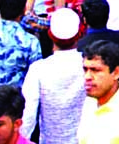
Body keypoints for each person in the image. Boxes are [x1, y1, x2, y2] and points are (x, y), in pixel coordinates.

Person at [21, 8, 85, 144]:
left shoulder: (38, 69)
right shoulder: (89, 66)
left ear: (50, 34)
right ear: (80, 34)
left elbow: (28, 116)